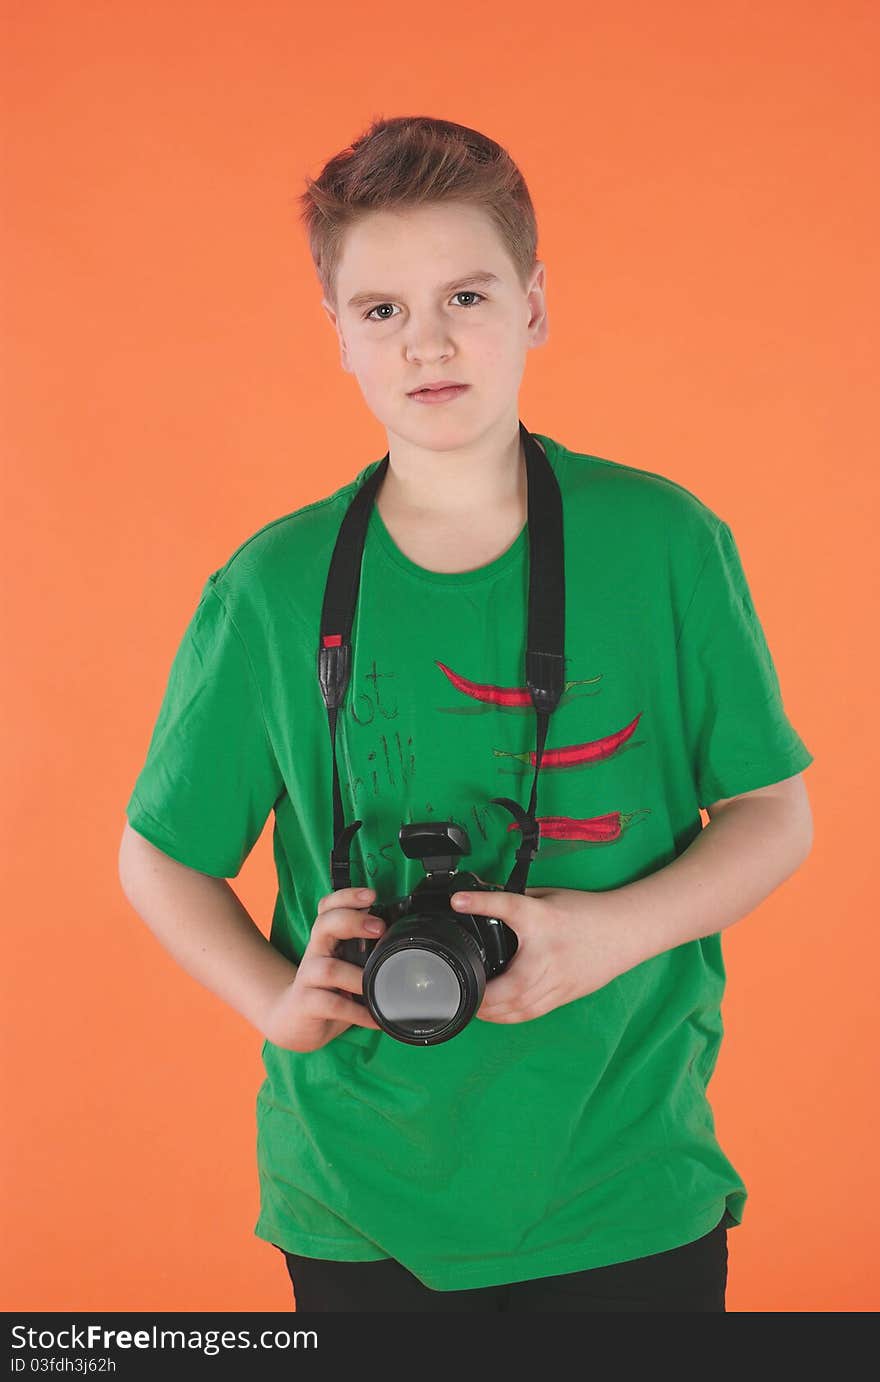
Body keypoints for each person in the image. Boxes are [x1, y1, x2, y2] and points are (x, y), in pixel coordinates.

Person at [118, 115, 815, 1313]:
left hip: (624, 1175)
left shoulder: (663, 541)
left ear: (535, 304)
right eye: (380, 308)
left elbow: (771, 810)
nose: (428, 340)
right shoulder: (274, 586)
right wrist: (271, 1001)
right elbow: (158, 854)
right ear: (334, 334)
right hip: (354, 1193)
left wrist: (612, 933)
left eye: (468, 294)